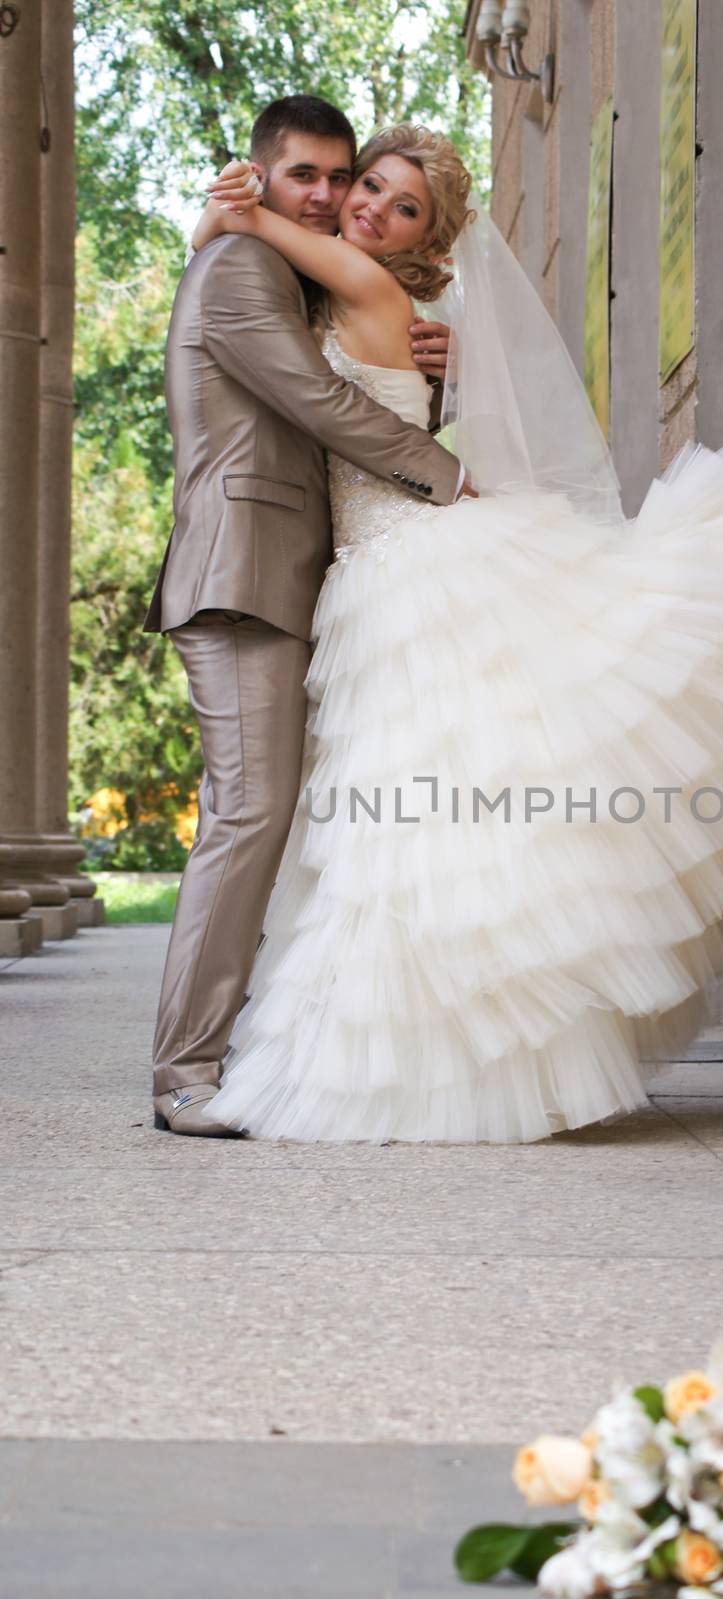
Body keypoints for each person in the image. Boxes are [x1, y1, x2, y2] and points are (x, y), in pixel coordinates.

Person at [192, 124, 723, 1145]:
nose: (370, 208)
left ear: (428, 239)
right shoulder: (356, 299)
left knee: (420, 813)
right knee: (420, 817)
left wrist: (223, 208)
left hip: (410, 566)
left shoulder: (370, 291)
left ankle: (436, 1058)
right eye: (366, 187)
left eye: (400, 205)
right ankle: (450, 1049)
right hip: (381, 570)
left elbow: (254, 224)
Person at [145, 97, 473, 1137]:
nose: (331, 197)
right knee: (248, 814)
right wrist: (445, 472)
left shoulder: (283, 270)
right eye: (308, 178)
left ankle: (224, 1051)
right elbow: (312, 398)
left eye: (345, 177)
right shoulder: (242, 270)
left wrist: (438, 365)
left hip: (288, 574)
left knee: (270, 816)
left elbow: (346, 358)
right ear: (260, 177)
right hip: (242, 572)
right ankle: (184, 1073)